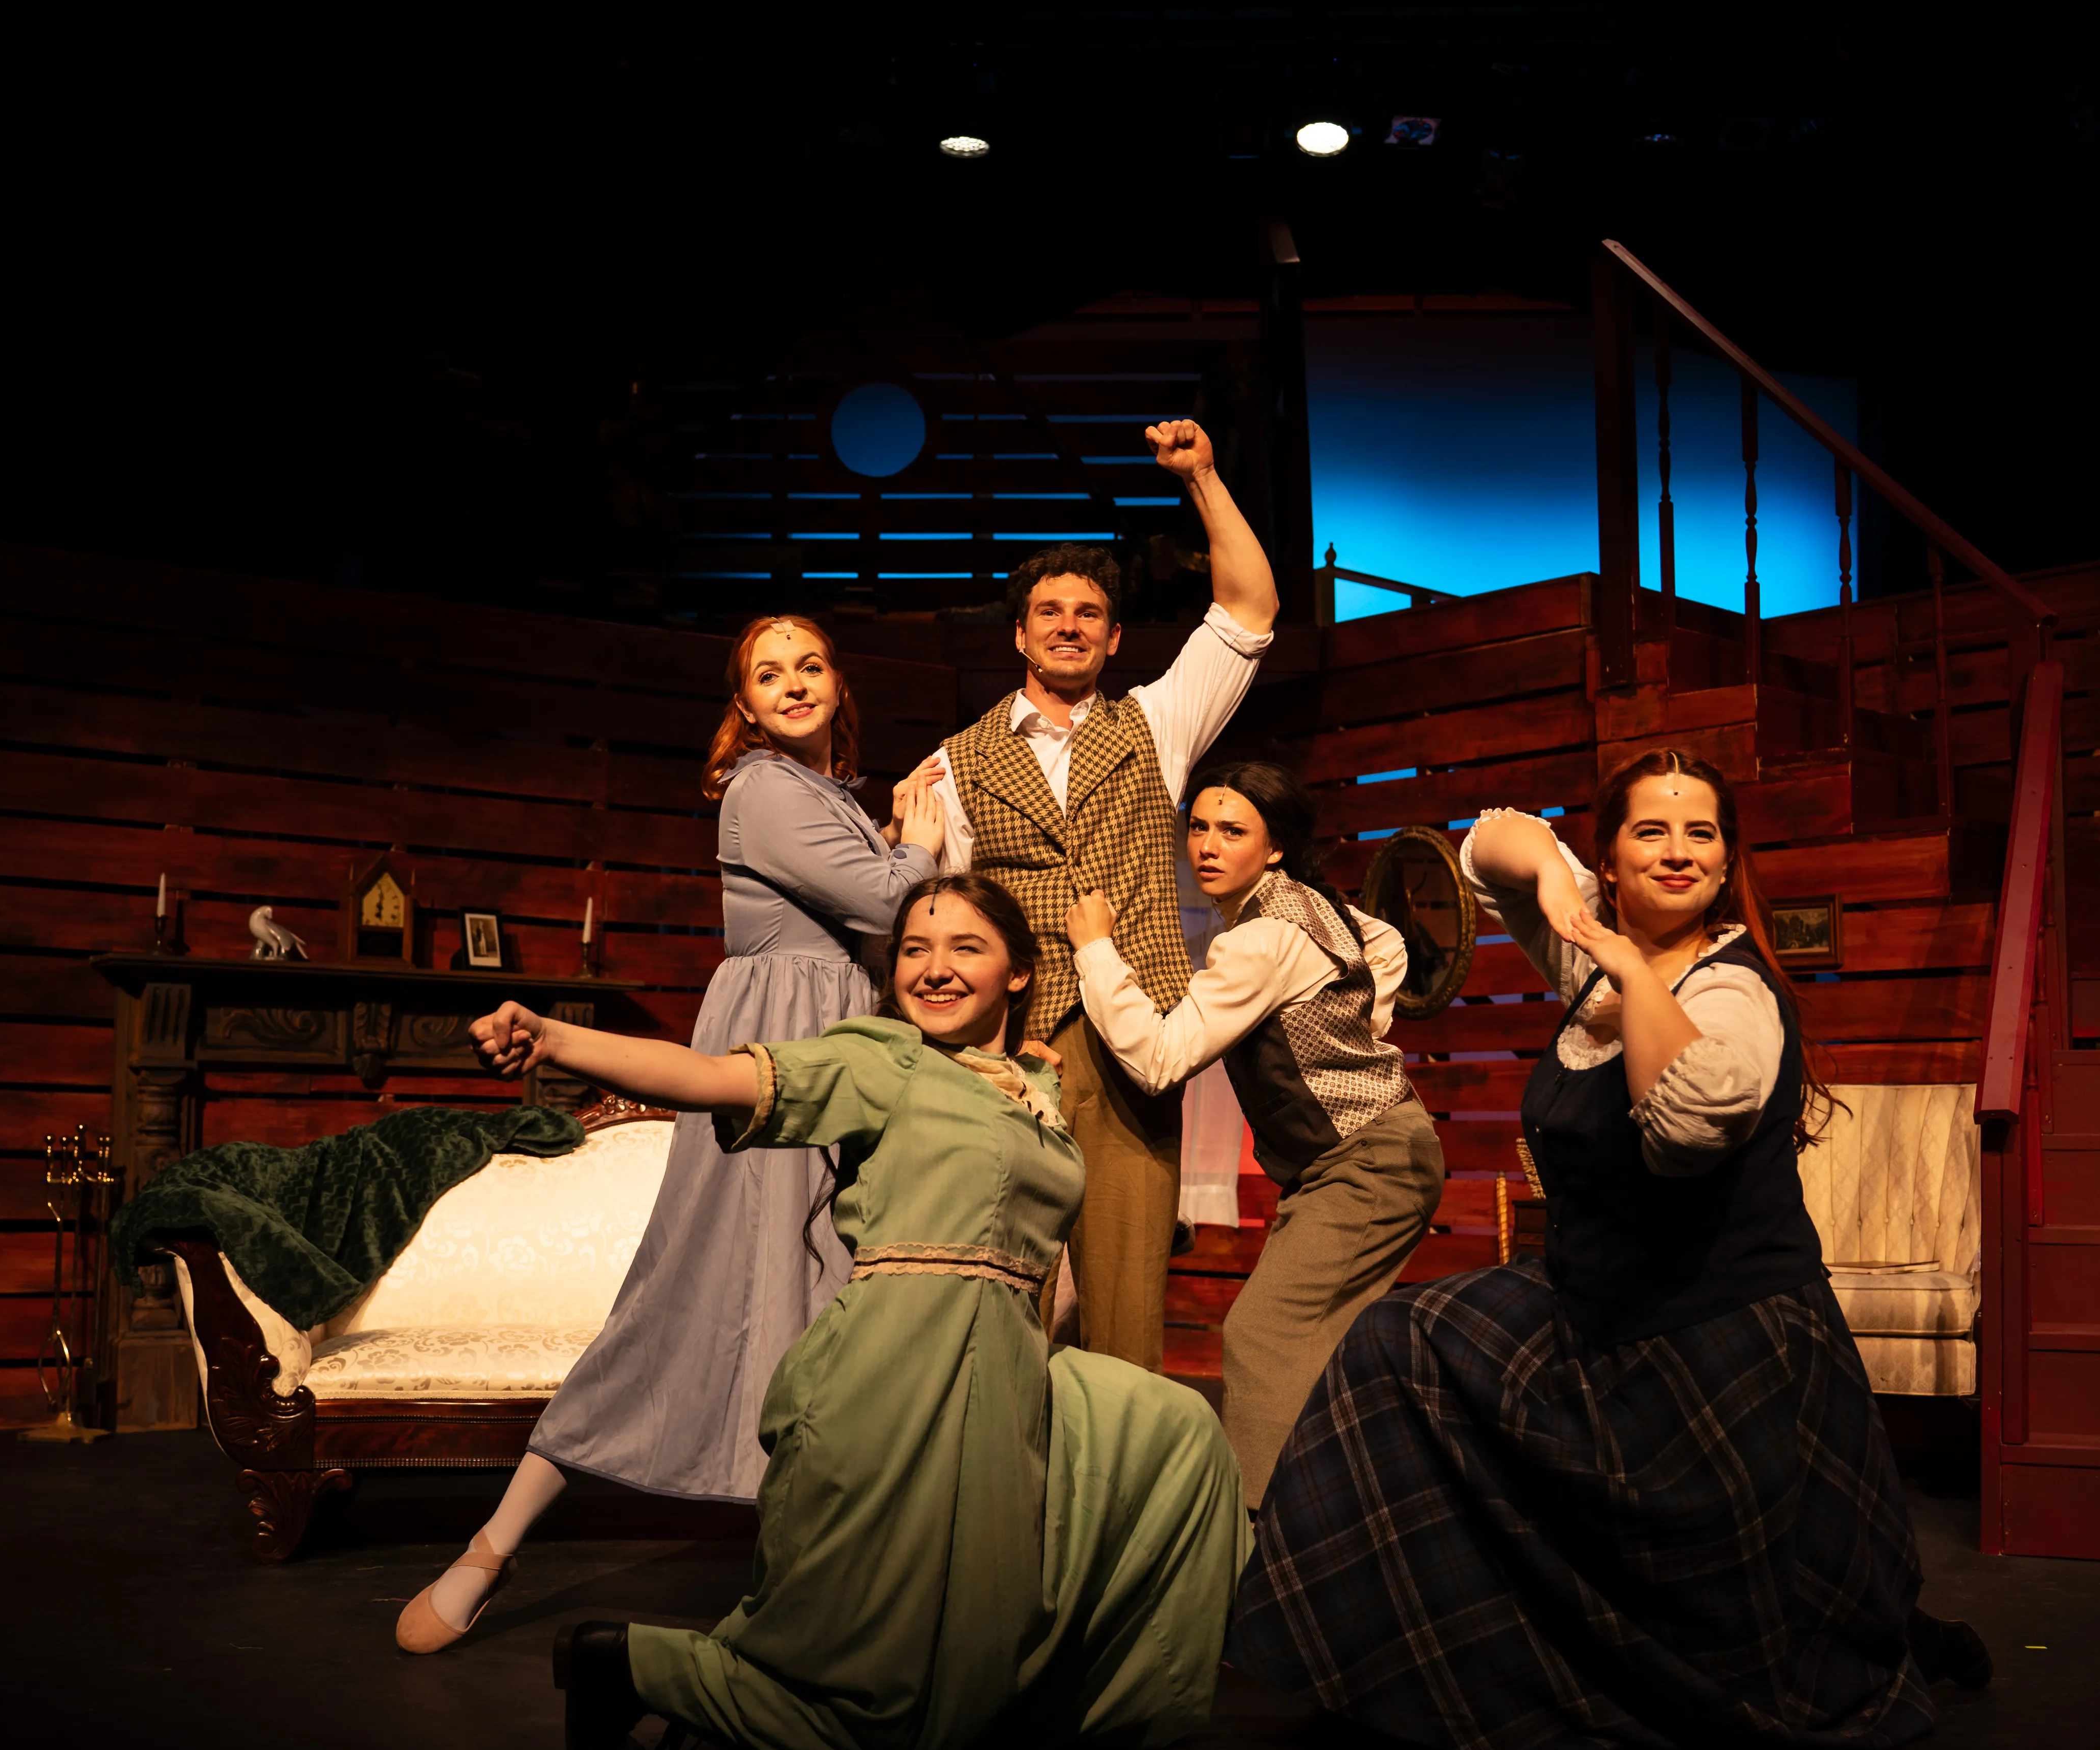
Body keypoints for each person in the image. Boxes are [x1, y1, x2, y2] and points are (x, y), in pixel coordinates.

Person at [1231, 748, 1983, 1750]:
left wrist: (1630, 972)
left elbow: (1684, 1136)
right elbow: (1486, 840)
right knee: (1396, 1343)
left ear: (1727, 863)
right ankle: (1380, 1641)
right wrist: (1557, 886)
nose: (1678, 852)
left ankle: (1878, 1634)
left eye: (1702, 833)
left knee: (1747, 1643)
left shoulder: (1732, 997)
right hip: (1598, 1310)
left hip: (1717, 1347)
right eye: (1651, 831)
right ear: (1614, 858)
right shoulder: (1589, 935)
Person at [469, 874, 1250, 1750]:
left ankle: (1071, 1685)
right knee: (883, 1723)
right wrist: (557, 1036)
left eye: (966, 947)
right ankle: (627, 1665)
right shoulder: (883, 1061)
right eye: (914, 950)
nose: (934, 968)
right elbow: (714, 1075)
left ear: (1019, 973)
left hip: (1003, 1371)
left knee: (1178, 1436)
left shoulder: (1035, 1086)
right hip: (894, 1368)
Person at [393, 614, 945, 1654]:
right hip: (774, 1052)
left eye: (810, 666)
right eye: (768, 673)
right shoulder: (764, 791)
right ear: (742, 704)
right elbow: (886, 898)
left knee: (830, 1311)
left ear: (839, 685)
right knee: (688, 1292)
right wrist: (914, 837)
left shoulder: (834, 797)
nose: (793, 684)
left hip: (846, 1055)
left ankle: (822, 1580)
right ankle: (490, 1545)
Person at [924, 416, 1279, 1371]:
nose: (1070, 626)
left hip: (1131, 1049)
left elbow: (1248, 610)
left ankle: (1117, 1511)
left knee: (1126, 1312)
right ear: (1019, 633)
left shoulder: (1155, 725)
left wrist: (1203, 477)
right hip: (1014, 1051)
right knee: (1006, 1306)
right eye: (1050, 612)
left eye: (1088, 614)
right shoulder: (956, 767)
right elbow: (943, 928)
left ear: (1115, 637)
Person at [1062, 760, 1444, 1506]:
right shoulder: (1319, 908)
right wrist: (1356, 1028)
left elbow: (1160, 1058)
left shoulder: (1260, 940)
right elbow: (1388, 947)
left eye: (1232, 831)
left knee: (1261, 1336)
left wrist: (1094, 949)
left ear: (1273, 848)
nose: (1206, 845)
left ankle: (1256, 1538)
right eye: (1198, 827)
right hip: (1374, 1153)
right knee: (1325, 1353)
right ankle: (1345, 1515)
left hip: (1365, 1163)